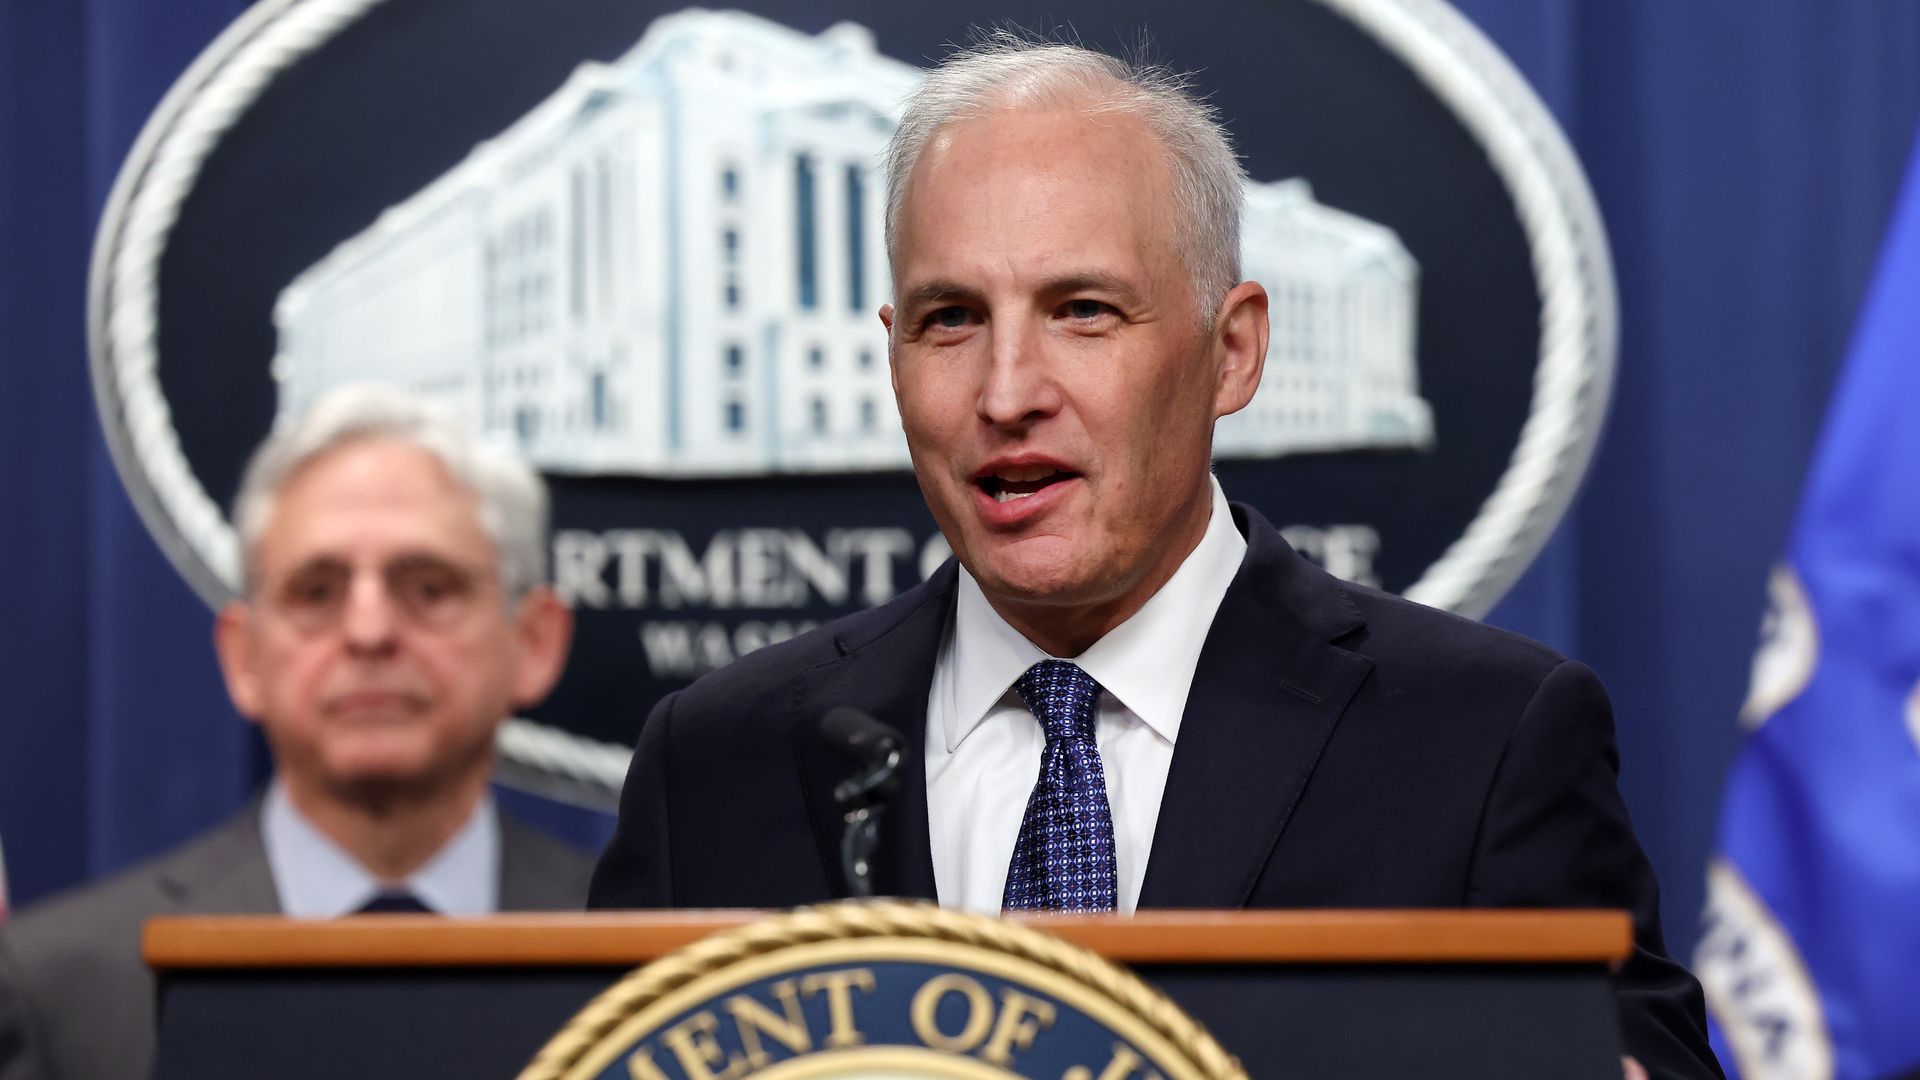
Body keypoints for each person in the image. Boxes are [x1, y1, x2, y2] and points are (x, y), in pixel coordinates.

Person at [587, 35, 1718, 1078]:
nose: (1007, 393)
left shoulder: (1480, 743)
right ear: (894, 359)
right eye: (950, 319)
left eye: (1082, 310)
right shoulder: (719, 765)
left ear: (1231, 352)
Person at [0, 385, 590, 1080]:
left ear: (533, 642)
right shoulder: (59, 986)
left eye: (429, 588)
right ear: (243, 657)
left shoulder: (648, 956)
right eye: (316, 592)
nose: (369, 633)